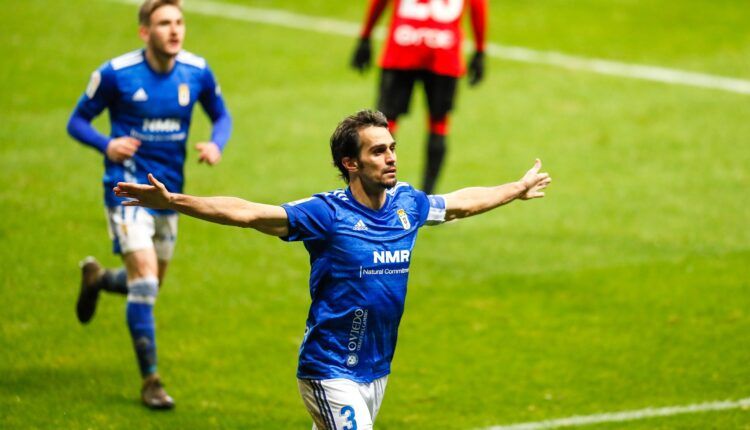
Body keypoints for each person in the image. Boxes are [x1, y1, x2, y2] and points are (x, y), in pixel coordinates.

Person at [114, 110, 550, 427]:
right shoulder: (326, 214)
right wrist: (174, 202)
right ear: (351, 163)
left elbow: (458, 204)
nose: (391, 157)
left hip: (376, 370)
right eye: (378, 151)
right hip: (329, 369)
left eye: (392, 148)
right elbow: (248, 213)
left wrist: (516, 188)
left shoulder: (408, 205)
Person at [66, 0, 232, 409]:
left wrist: (216, 143)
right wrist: (108, 144)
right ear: (145, 32)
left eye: (179, 22)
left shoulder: (197, 71)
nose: (174, 30)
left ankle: (99, 279)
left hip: (168, 195)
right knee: (143, 282)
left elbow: (222, 115)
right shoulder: (116, 74)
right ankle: (152, 382)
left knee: (151, 285)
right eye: (163, 24)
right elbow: (76, 121)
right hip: (125, 192)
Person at [351, 0, 488, 194]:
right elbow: (477, 6)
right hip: (443, 52)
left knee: (385, 124)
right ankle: (429, 199)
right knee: (438, 124)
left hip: (402, 47)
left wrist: (365, 36)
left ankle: (375, 195)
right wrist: (480, 50)